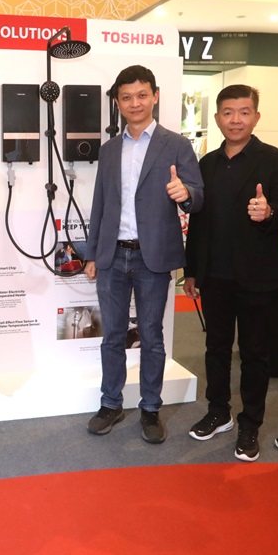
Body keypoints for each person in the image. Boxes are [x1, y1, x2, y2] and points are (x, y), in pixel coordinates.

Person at [84, 64, 203, 444]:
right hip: (112, 257)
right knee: (112, 337)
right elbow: (100, 204)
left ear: (154, 96)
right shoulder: (110, 149)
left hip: (153, 258)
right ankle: (111, 403)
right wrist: (91, 253)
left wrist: (186, 194)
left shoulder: (176, 144)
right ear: (118, 102)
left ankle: (151, 408)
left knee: (151, 336)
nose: (134, 103)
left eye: (141, 95)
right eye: (126, 97)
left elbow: (198, 196)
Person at [183, 84, 278, 462]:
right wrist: (192, 271)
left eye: (244, 112)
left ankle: (250, 423)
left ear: (256, 117)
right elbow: (197, 222)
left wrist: (271, 213)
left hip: (258, 276)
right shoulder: (206, 164)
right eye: (228, 112)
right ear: (216, 118)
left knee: (255, 353)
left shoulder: (275, 160)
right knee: (214, 347)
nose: (235, 119)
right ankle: (218, 411)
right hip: (214, 276)